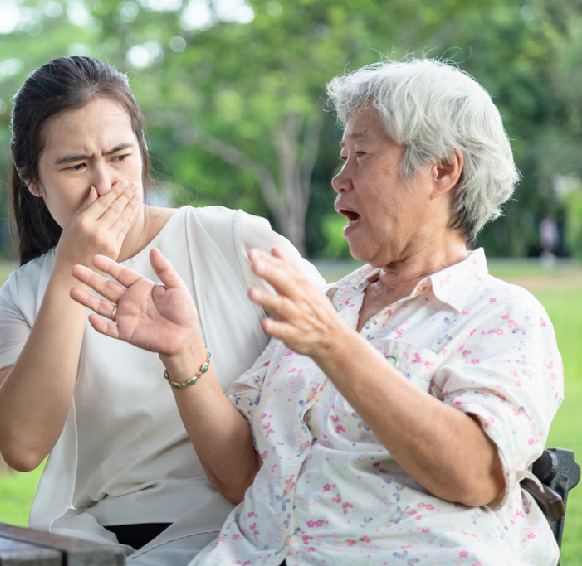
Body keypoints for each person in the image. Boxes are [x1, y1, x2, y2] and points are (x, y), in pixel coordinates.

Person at [70, 59, 564, 565]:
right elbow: (242, 481)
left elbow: (475, 476)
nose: (338, 178)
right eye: (343, 155)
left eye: (362, 155)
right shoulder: (330, 306)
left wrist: (336, 346)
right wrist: (183, 354)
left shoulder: (501, 315)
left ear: (440, 169)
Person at [0, 56, 324, 563]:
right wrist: (70, 272)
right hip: (106, 537)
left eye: (119, 156)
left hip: (246, 524)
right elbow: (22, 447)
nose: (105, 185)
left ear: (142, 152)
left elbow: (336, 356)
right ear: (33, 181)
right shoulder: (26, 292)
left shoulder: (233, 239)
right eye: (76, 165)